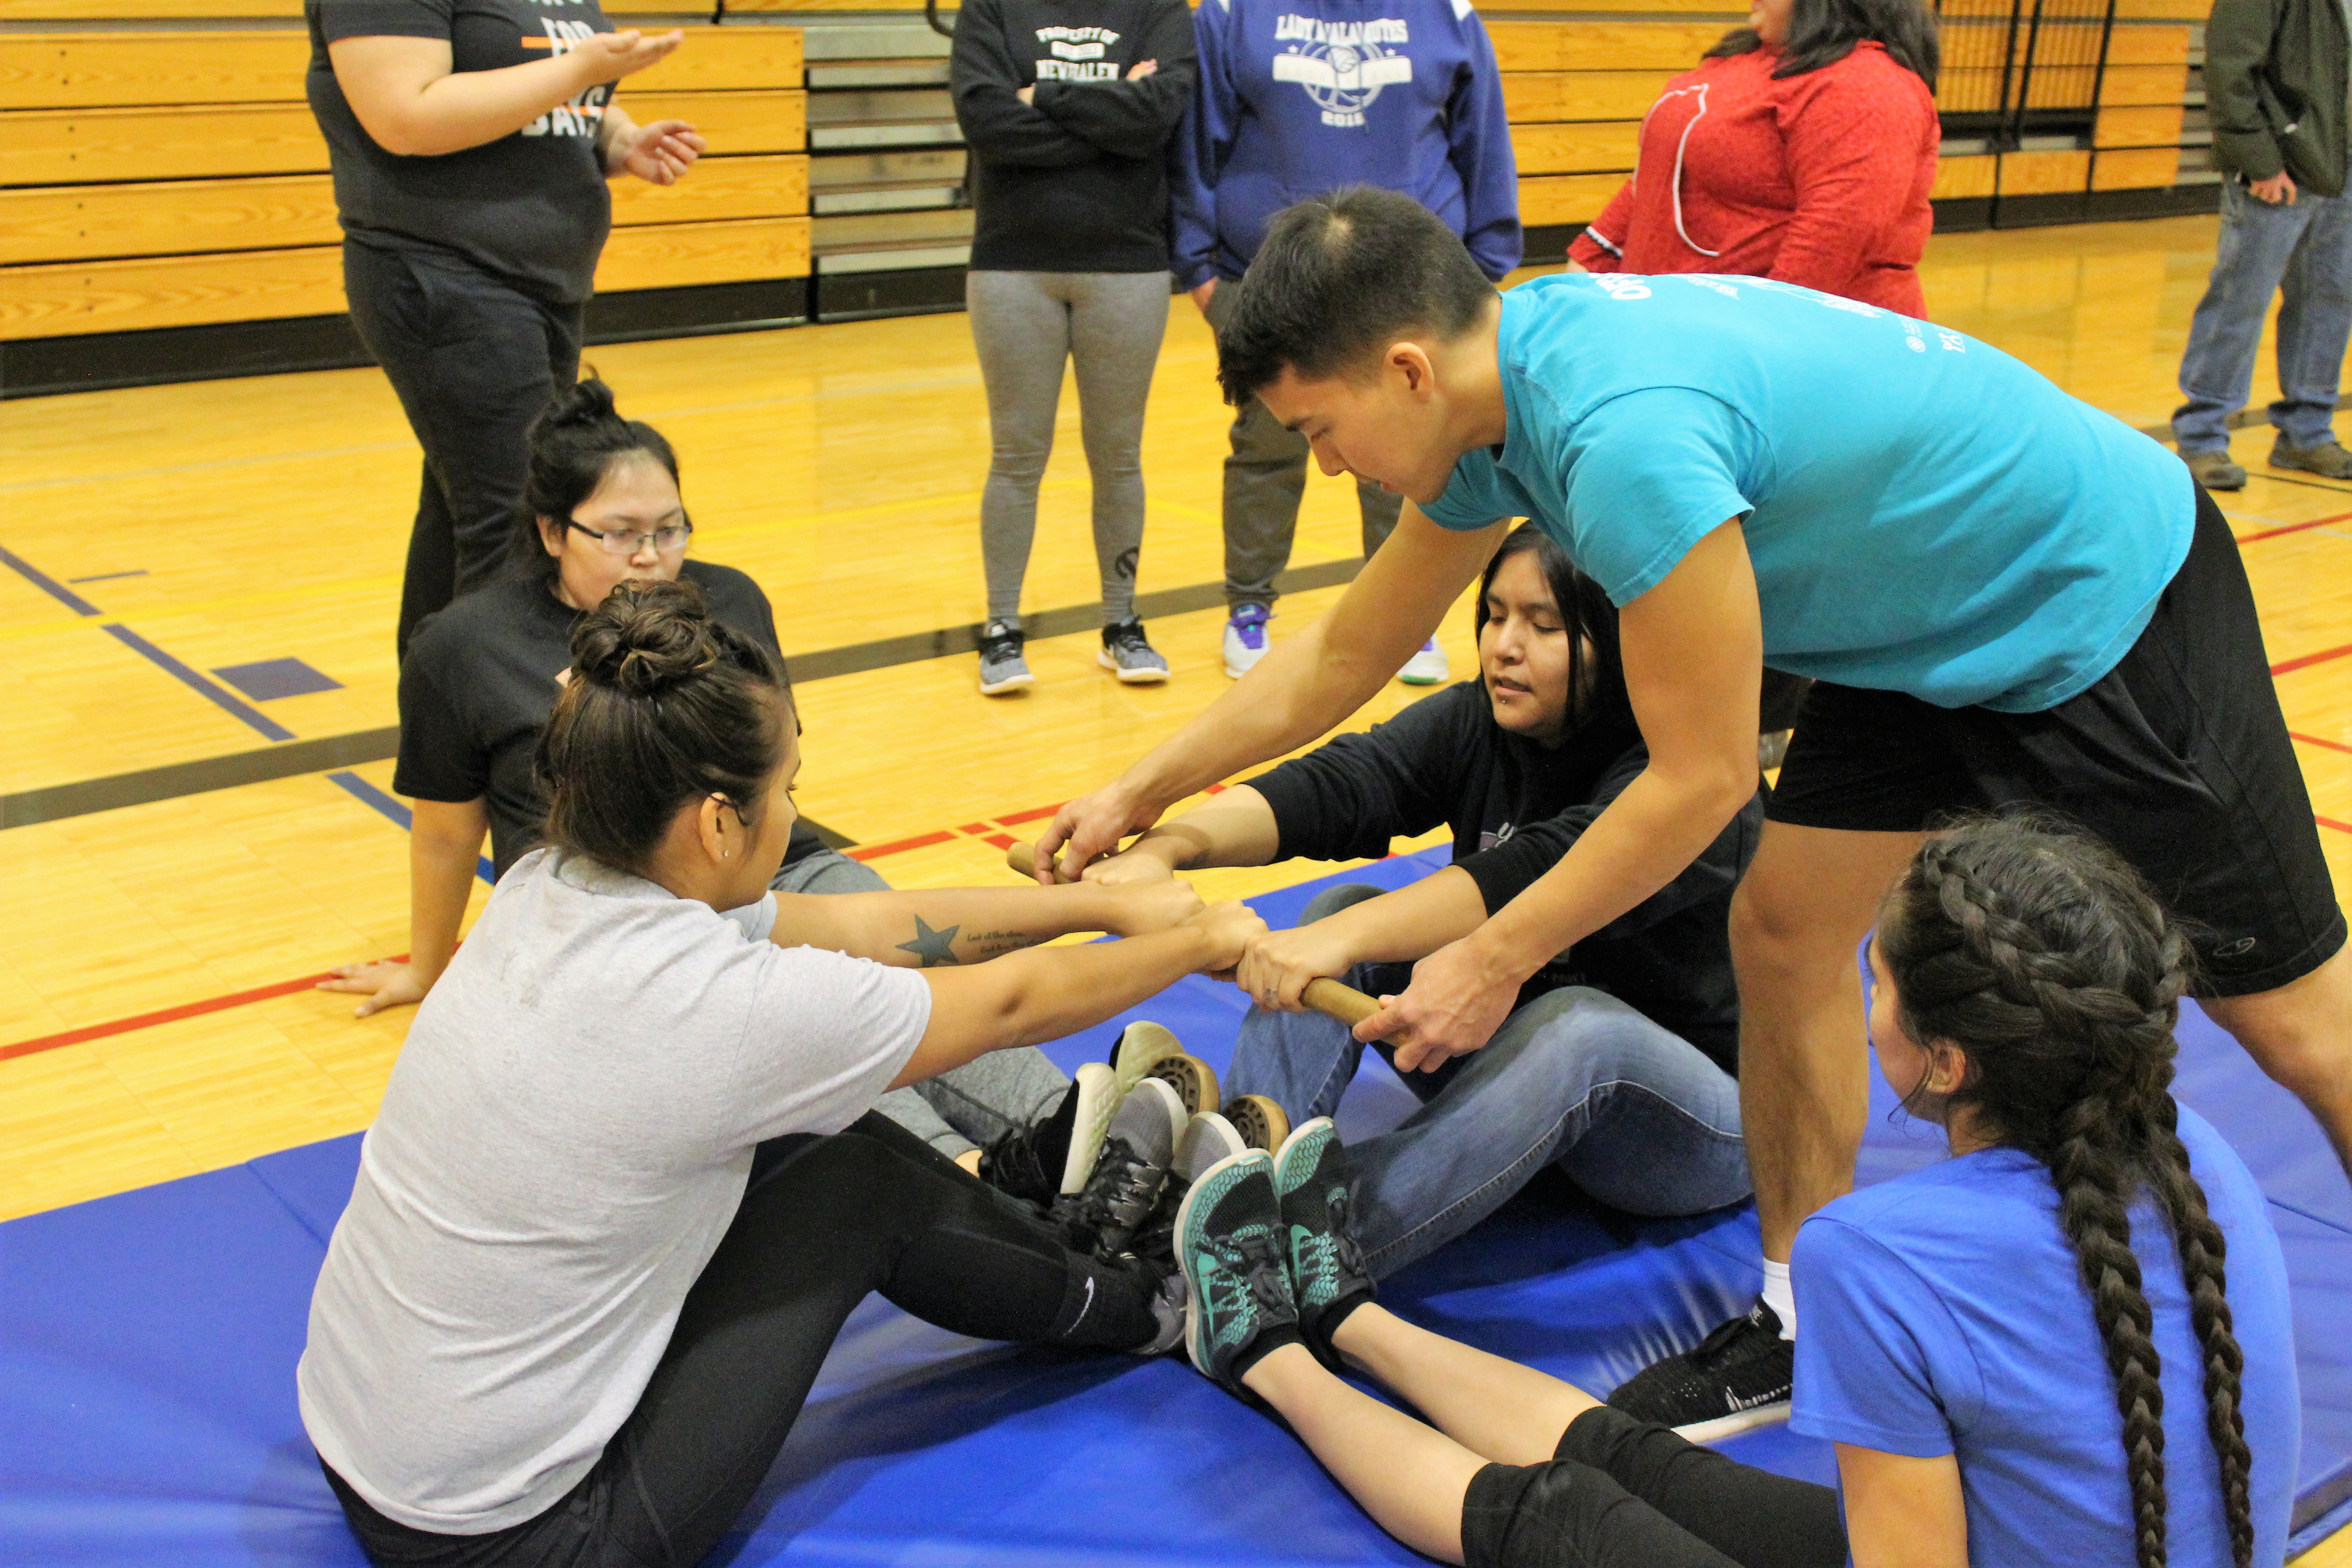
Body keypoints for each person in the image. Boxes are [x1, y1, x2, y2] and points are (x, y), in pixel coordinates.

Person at [1031, 185, 2352, 1433]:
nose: (1324, 468)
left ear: (1406, 373)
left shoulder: (1621, 442)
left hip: (2099, 594)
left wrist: (1495, 957)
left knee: (2294, 1026)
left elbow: (1705, 777)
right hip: (1922, 633)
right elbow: (1340, 659)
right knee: (1784, 933)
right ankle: (1799, 1320)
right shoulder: (1495, 408)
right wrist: (1135, 790)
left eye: (1319, 432)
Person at [299, 578, 1266, 1567]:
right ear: (719, 824)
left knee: (813, 1143)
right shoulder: (721, 1010)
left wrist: (1103, 911)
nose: (794, 809)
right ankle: (1155, 1306)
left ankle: (1037, 1218)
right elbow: (1013, 1007)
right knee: (855, 1180)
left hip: (366, 1444)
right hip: (517, 1542)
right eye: (788, 788)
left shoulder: (548, 882)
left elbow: (871, 928)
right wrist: (1198, 941)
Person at [1167, 819, 2294, 1568]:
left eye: (1878, 974)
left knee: (1558, 1513)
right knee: (1643, 1462)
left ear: (1943, 1058)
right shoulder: (2188, 1143)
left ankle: (1262, 1348)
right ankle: (1347, 1311)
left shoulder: (1873, 1253)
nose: (1861, 997)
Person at [319, 378, 1066, 1169]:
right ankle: (981, 1179)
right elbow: (443, 835)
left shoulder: (730, 598)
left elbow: (775, 776)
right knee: (813, 1037)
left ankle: (1085, 1130)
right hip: (631, 928)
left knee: (925, 980)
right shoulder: (464, 646)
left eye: (670, 529)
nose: (651, 556)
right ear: (550, 531)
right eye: (619, 534)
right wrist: (429, 969)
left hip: (776, 874)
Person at [1085, 524, 1756, 1281]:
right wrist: (1168, 844)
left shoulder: (1686, 779)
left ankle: (1274, 1257)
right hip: (1505, 1061)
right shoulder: (1484, 717)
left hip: (1693, 1127)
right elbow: (1341, 784)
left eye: (1542, 626)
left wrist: (1336, 940)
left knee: (1575, 1030)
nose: (1503, 645)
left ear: (1616, 641)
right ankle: (1222, 1181)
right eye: (1494, 616)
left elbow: (1531, 870)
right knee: (1341, 906)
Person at [306, 0, 705, 657]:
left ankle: (441, 726)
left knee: (468, 512)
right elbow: (407, 116)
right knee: (520, 522)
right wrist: (576, 67)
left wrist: (619, 138)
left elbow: (532, 101)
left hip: (541, 281)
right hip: (446, 274)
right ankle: (508, 738)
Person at [1173, 0, 1519, 685]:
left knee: (1407, 453)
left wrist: (1484, 259)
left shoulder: (1447, 14)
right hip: (1263, 276)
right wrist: (1200, 267)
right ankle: (1249, 607)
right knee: (1270, 445)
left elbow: (1483, 140)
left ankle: (1404, 619)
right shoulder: (1231, 12)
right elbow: (1195, 143)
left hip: (1411, 289)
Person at [951, 0, 1198, 694]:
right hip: (1012, 266)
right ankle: (1001, 630)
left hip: (1129, 266)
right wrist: (1112, 119)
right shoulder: (992, 8)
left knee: (1119, 455)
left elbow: (1159, 115)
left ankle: (1122, 625)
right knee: (1016, 456)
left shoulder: (1159, 10)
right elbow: (987, 123)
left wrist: (1046, 97)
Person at [1565, 0, 1940, 317]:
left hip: (1782, 357)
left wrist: (1735, 350)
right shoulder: (1742, 57)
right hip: (1674, 330)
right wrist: (1592, 261)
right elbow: (1659, 174)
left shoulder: (1868, 85)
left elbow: (1830, 246)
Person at [2171, 0, 2352, 490]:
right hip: (2280, 167)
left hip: (2343, 168)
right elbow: (2230, 70)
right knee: (2240, 300)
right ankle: (2202, 437)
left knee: (2331, 301)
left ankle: (2306, 433)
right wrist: (2259, 159)